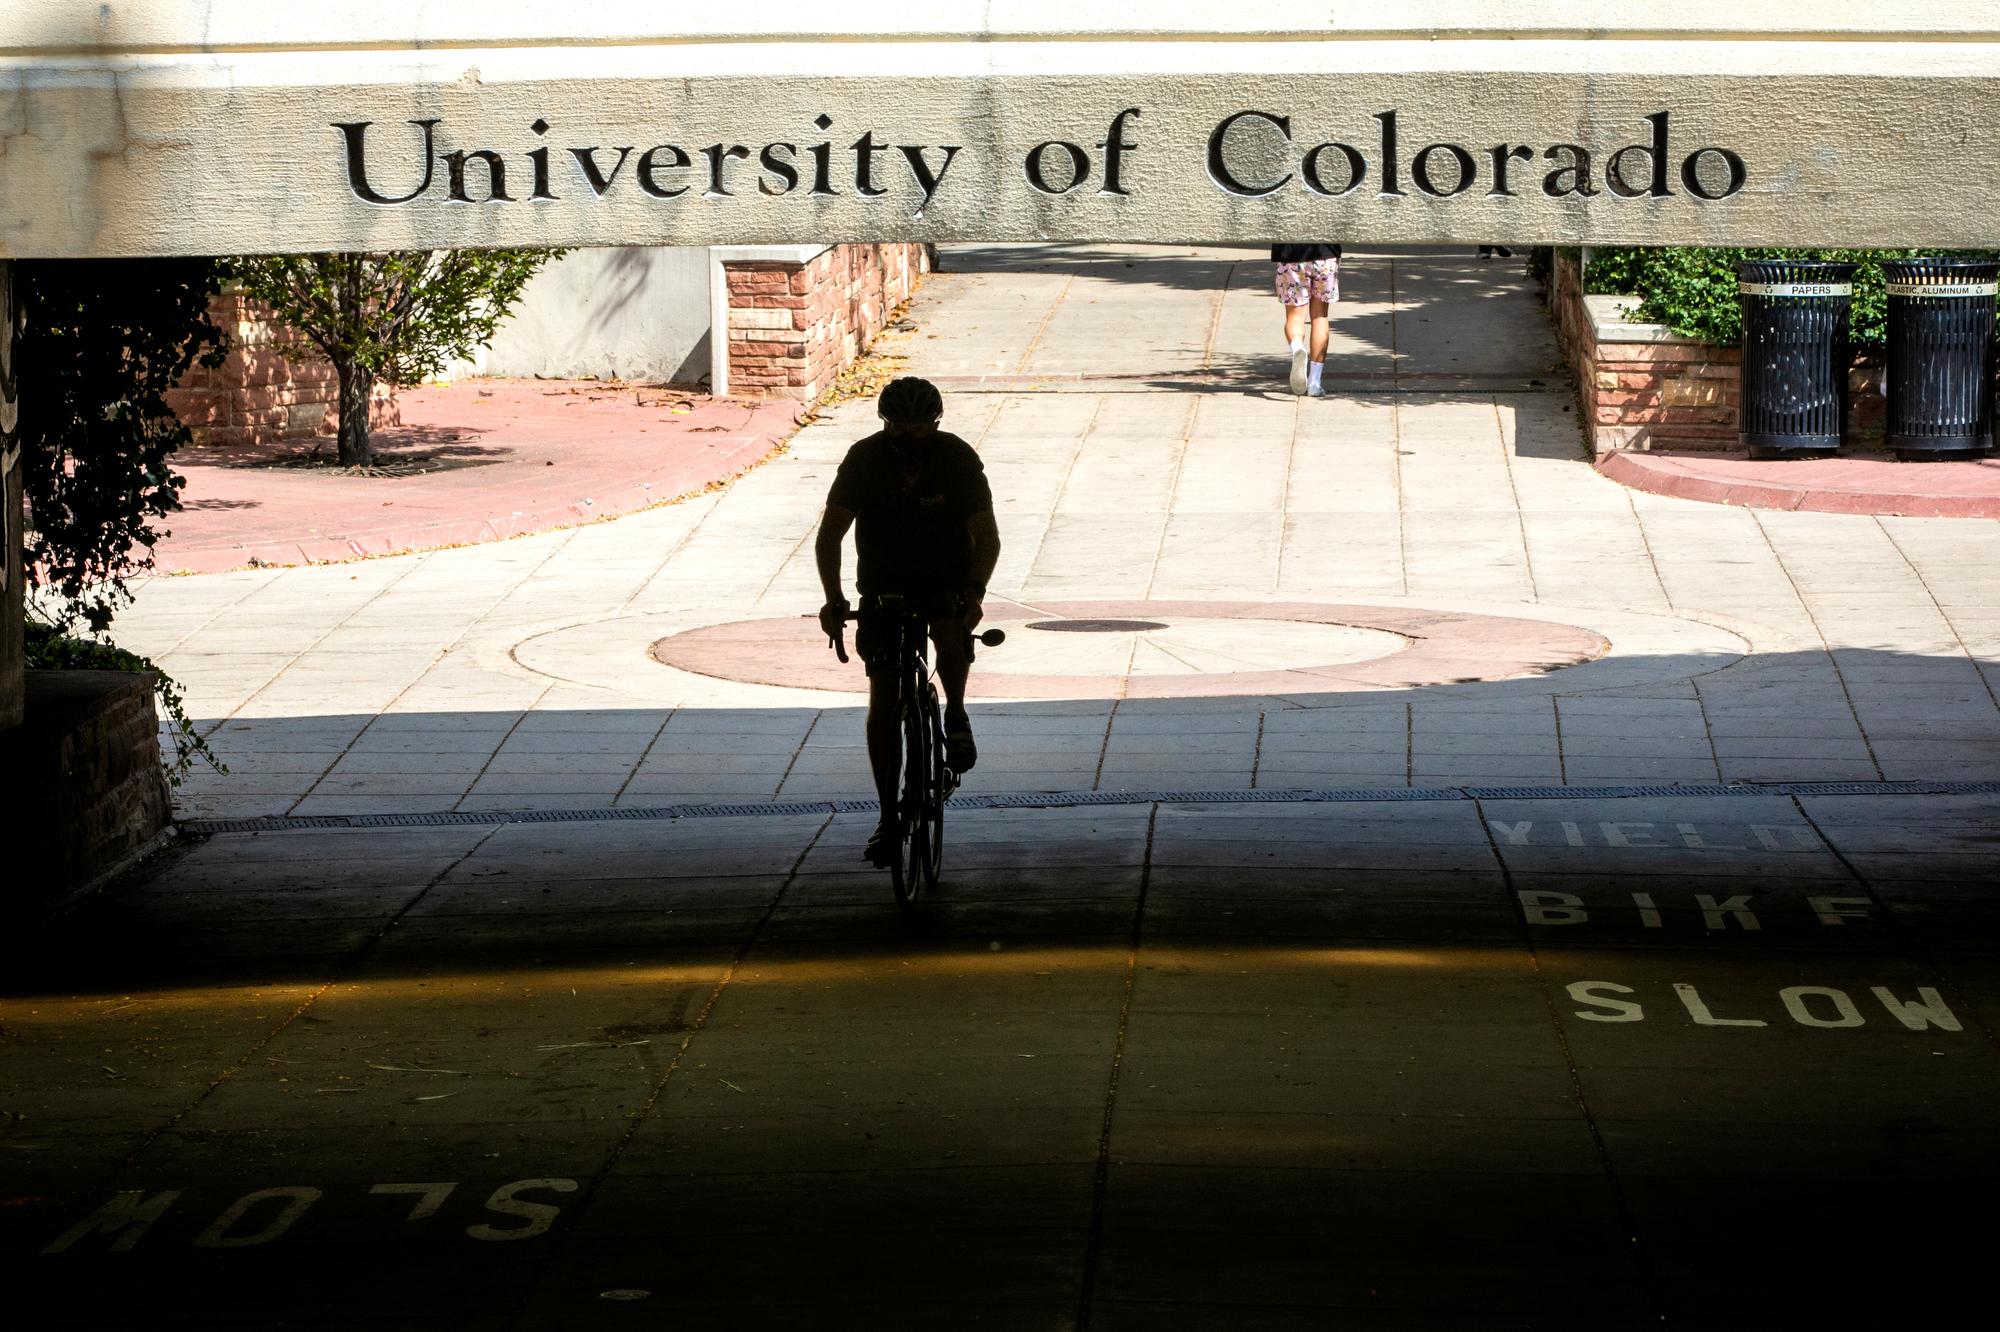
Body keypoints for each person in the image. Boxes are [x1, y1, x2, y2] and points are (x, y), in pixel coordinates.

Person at [817, 376, 1001, 864]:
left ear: (935, 425)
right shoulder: (865, 459)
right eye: (900, 429)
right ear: (885, 424)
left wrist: (975, 594)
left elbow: (987, 537)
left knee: (949, 626)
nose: (909, 439)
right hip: (883, 584)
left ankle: (956, 713)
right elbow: (830, 534)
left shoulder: (958, 460)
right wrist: (833, 598)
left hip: (944, 578)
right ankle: (888, 813)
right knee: (884, 693)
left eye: (921, 430)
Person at [1271, 243, 1341, 396]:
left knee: (1295, 317)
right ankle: (1314, 383)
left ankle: (1297, 348)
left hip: (1291, 256)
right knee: (1320, 316)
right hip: (1325, 255)